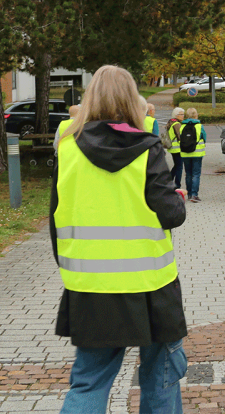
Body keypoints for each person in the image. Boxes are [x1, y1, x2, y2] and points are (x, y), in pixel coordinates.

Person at [50, 65, 188, 412]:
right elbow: (171, 214)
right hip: (150, 284)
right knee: (161, 378)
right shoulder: (147, 148)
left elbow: (55, 216)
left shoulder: (68, 148)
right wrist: (177, 199)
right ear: (132, 99)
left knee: (89, 382)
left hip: (90, 284)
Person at [180, 107, 206, 202]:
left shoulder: (182, 126)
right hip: (197, 153)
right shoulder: (199, 126)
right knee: (196, 174)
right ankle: (194, 195)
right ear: (196, 115)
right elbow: (204, 137)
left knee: (188, 174)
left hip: (185, 153)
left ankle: (189, 194)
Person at [165, 107, 185, 191]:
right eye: (181, 114)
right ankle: (177, 184)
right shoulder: (177, 124)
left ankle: (168, 180)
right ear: (176, 115)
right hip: (177, 148)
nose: (183, 116)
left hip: (173, 148)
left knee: (176, 165)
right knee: (179, 167)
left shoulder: (171, 122)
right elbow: (180, 136)